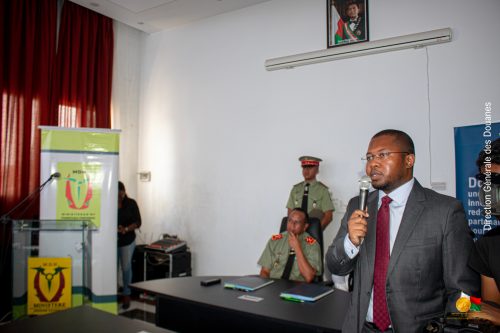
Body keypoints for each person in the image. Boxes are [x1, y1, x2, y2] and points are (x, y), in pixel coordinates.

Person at [326, 129, 479, 333]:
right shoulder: (358, 206)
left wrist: (453, 329)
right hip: (360, 327)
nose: (373, 163)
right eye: (370, 157)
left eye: (383, 155)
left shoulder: (446, 211)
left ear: (409, 160)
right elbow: (334, 266)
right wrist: (350, 243)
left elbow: (466, 291)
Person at [467, 137, 500, 324]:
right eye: (485, 182)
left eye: (495, 182)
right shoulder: (487, 245)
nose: (489, 191)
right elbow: (490, 310)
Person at [258, 208, 321, 283]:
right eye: (290, 220)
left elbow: (309, 277)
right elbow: (264, 272)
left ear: (305, 226)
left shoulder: (312, 245)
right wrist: (266, 287)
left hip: (298, 289)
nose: (292, 225)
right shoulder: (275, 241)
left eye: (297, 222)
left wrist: (297, 248)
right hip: (274, 286)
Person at [286, 156, 334, 230]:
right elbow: (290, 213)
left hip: (312, 235)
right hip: (296, 232)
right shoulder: (295, 189)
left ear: (317, 170)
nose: (306, 170)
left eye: (310, 167)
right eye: (304, 167)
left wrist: (315, 231)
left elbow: (328, 216)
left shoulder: (322, 190)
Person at [118, 181, 141, 309]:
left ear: (123, 192)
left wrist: (126, 229)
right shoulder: (109, 203)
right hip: (112, 242)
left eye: (120, 193)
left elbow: (138, 222)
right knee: (112, 269)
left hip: (127, 241)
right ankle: (113, 294)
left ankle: (127, 295)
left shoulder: (131, 203)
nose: (118, 197)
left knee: (126, 268)